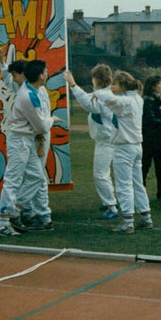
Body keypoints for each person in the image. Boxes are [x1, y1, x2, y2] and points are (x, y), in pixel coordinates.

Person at [68, 69, 152, 234]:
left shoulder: (125, 102)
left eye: (115, 84)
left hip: (124, 147)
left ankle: (128, 221)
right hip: (136, 146)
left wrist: (96, 89)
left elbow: (106, 98)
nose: (112, 87)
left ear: (122, 85)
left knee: (124, 184)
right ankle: (145, 216)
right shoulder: (136, 99)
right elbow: (108, 98)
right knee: (137, 183)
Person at [0, 59, 59, 237]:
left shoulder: (32, 90)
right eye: (45, 72)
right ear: (40, 76)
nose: (47, 74)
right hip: (20, 141)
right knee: (13, 180)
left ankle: (15, 208)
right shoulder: (28, 96)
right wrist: (52, 120)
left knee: (37, 177)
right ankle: (2, 223)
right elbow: (41, 126)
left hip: (29, 140)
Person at [65, 64, 118, 219]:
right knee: (104, 173)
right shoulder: (103, 93)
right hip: (106, 139)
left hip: (107, 140)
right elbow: (88, 98)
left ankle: (111, 206)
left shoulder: (103, 95)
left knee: (100, 174)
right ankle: (109, 200)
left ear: (96, 79)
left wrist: (73, 85)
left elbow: (88, 104)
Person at [141, 75, 161, 201]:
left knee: (160, 165)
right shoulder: (148, 101)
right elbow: (149, 120)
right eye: (159, 84)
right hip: (149, 139)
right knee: (146, 165)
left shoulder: (157, 100)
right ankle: (140, 191)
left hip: (158, 138)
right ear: (152, 87)